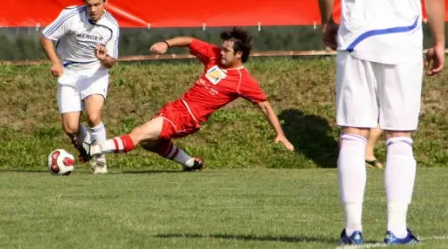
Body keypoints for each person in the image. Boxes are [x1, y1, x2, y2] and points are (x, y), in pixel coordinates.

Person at [315, 0, 447, 245]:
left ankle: (353, 229)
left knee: (353, 134)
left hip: (356, 37)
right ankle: (397, 229)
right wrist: (438, 41)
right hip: (403, 40)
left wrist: (327, 21)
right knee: (400, 136)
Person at [78, 27, 295, 170]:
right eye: (222, 48)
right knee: (149, 144)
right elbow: (190, 41)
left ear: (239, 55)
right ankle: (191, 163)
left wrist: (280, 134)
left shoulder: (242, 80)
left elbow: (265, 106)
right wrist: (167, 43)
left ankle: (93, 150)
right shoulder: (214, 55)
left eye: (227, 51)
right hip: (177, 108)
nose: (221, 53)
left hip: (187, 117)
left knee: (138, 133)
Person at [40, 0, 119, 174]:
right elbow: (46, 36)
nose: (92, 9)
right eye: (89, 5)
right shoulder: (71, 15)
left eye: (97, 4)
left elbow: (111, 61)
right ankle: (88, 151)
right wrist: (56, 62)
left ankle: (100, 161)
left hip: (95, 73)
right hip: (69, 72)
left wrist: (104, 58)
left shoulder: (111, 26)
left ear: (105, 2)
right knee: (70, 127)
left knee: (93, 116)